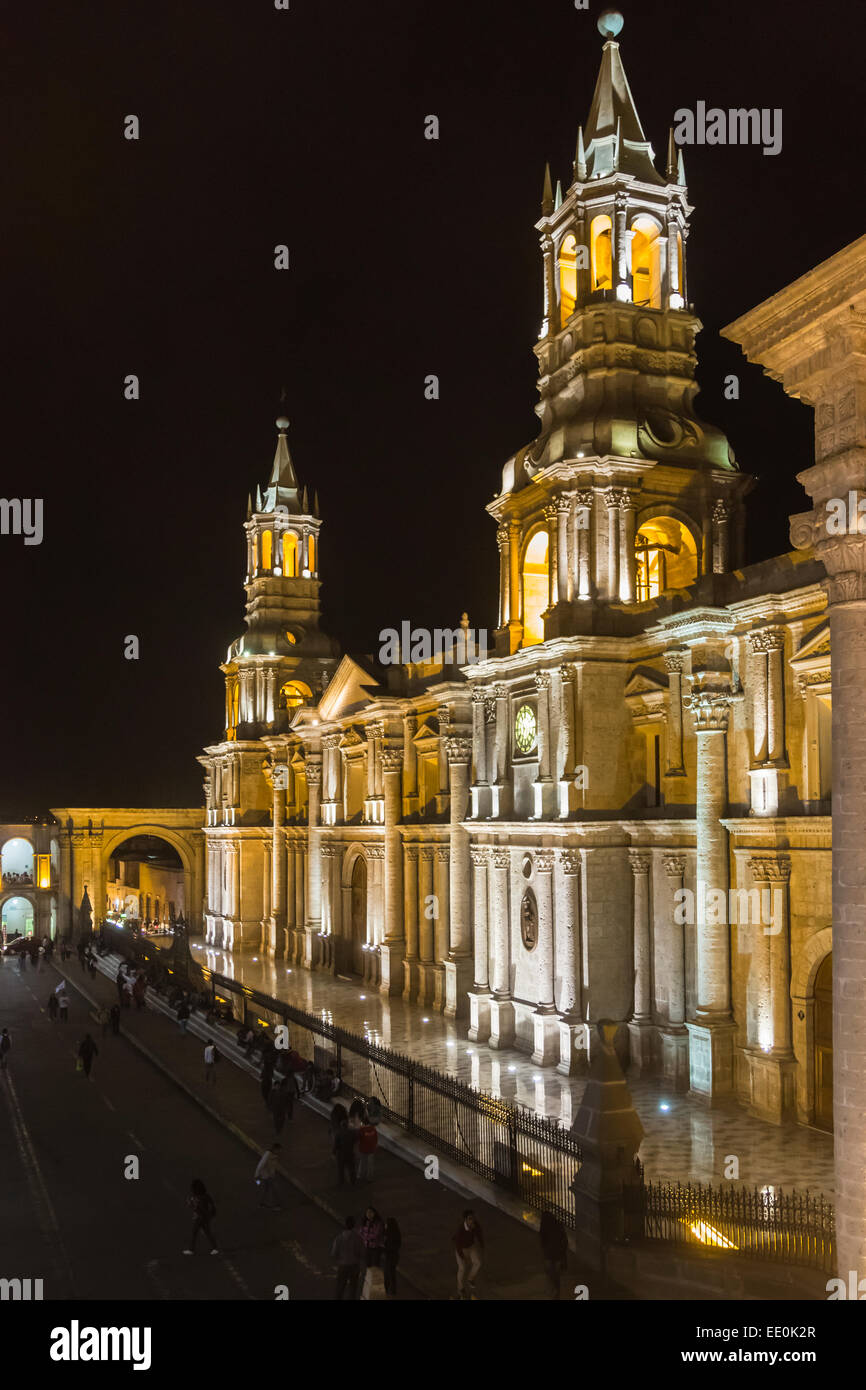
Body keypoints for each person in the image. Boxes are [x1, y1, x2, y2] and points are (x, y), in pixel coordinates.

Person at [331, 1215, 364, 1301]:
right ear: (353, 1225)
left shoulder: (338, 1238)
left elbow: (334, 1253)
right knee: (353, 1289)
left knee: (340, 1288)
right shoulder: (358, 1238)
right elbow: (361, 1252)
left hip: (342, 1265)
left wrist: (340, 1259)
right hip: (354, 1266)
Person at [453, 1210, 484, 1300]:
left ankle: (470, 1278)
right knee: (462, 1268)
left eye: (473, 1218)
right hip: (461, 1248)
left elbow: (479, 1234)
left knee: (478, 1262)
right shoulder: (461, 1229)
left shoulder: (475, 1225)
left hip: (471, 1246)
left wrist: (482, 1245)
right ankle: (460, 1288)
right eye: (470, 1219)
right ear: (465, 1220)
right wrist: (462, 1257)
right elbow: (457, 1244)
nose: (472, 1221)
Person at [183, 1178, 218, 1255]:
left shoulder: (199, 1197)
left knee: (195, 1233)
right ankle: (214, 1248)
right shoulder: (205, 1196)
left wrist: (191, 1204)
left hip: (200, 1218)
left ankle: (191, 1249)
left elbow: (198, 1208)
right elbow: (211, 1204)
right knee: (207, 1232)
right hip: (203, 1217)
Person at [538, 1211, 568, 1299]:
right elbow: (564, 1241)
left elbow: (542, 1242)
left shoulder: (544, 1226)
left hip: (550, 1255)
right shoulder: (558, 1226)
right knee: (555, 1275)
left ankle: (554, 1291)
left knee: (551, 1274)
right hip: (557, 1255)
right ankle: (556, 1291)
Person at [254, 1143, 282, 1210]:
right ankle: (274, 1206)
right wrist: (256, 1175)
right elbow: (261, 1165)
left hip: (267, 1176)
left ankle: (261, 1204)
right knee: (273, 1190)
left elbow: (271, 1166)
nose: (279, 1152)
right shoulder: (268, 1155)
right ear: (275, 1148)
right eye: (279, 1150)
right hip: (267, 1176)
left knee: (266, 1190)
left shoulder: (272, 1155)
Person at [333, 1115, 357, 1187]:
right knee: (351, 1168)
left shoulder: (338, 1133)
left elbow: (336, 1144)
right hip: (350, 1152)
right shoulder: (352, 1132)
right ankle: (353, 1181)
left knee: (341, 1168)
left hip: (341, 1154)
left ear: (341, 1126)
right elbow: (354, 1140)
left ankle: (341, 1182)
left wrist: (333, 1152)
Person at [383, 1216, 401, 1297]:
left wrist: (385, 1247)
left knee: (388, 1273)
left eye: (386, 1223)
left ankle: (388, 1290)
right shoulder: (391, 1232)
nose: (385, 1225)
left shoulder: (392, 1234)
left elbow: (393, 1246)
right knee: (390, 1273)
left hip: (391, 1257)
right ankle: (391, 1290)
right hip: (392, 1257)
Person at [357, 1116, 379, 1183]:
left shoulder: (361, 1130)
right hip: (371, 1149)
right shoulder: (373, 1129)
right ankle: (370, 1176)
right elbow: (376, 1139)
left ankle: (360, 1175)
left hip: (363, 1149)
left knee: (362, 1162)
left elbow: (358, 1139)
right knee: (370, 1163)